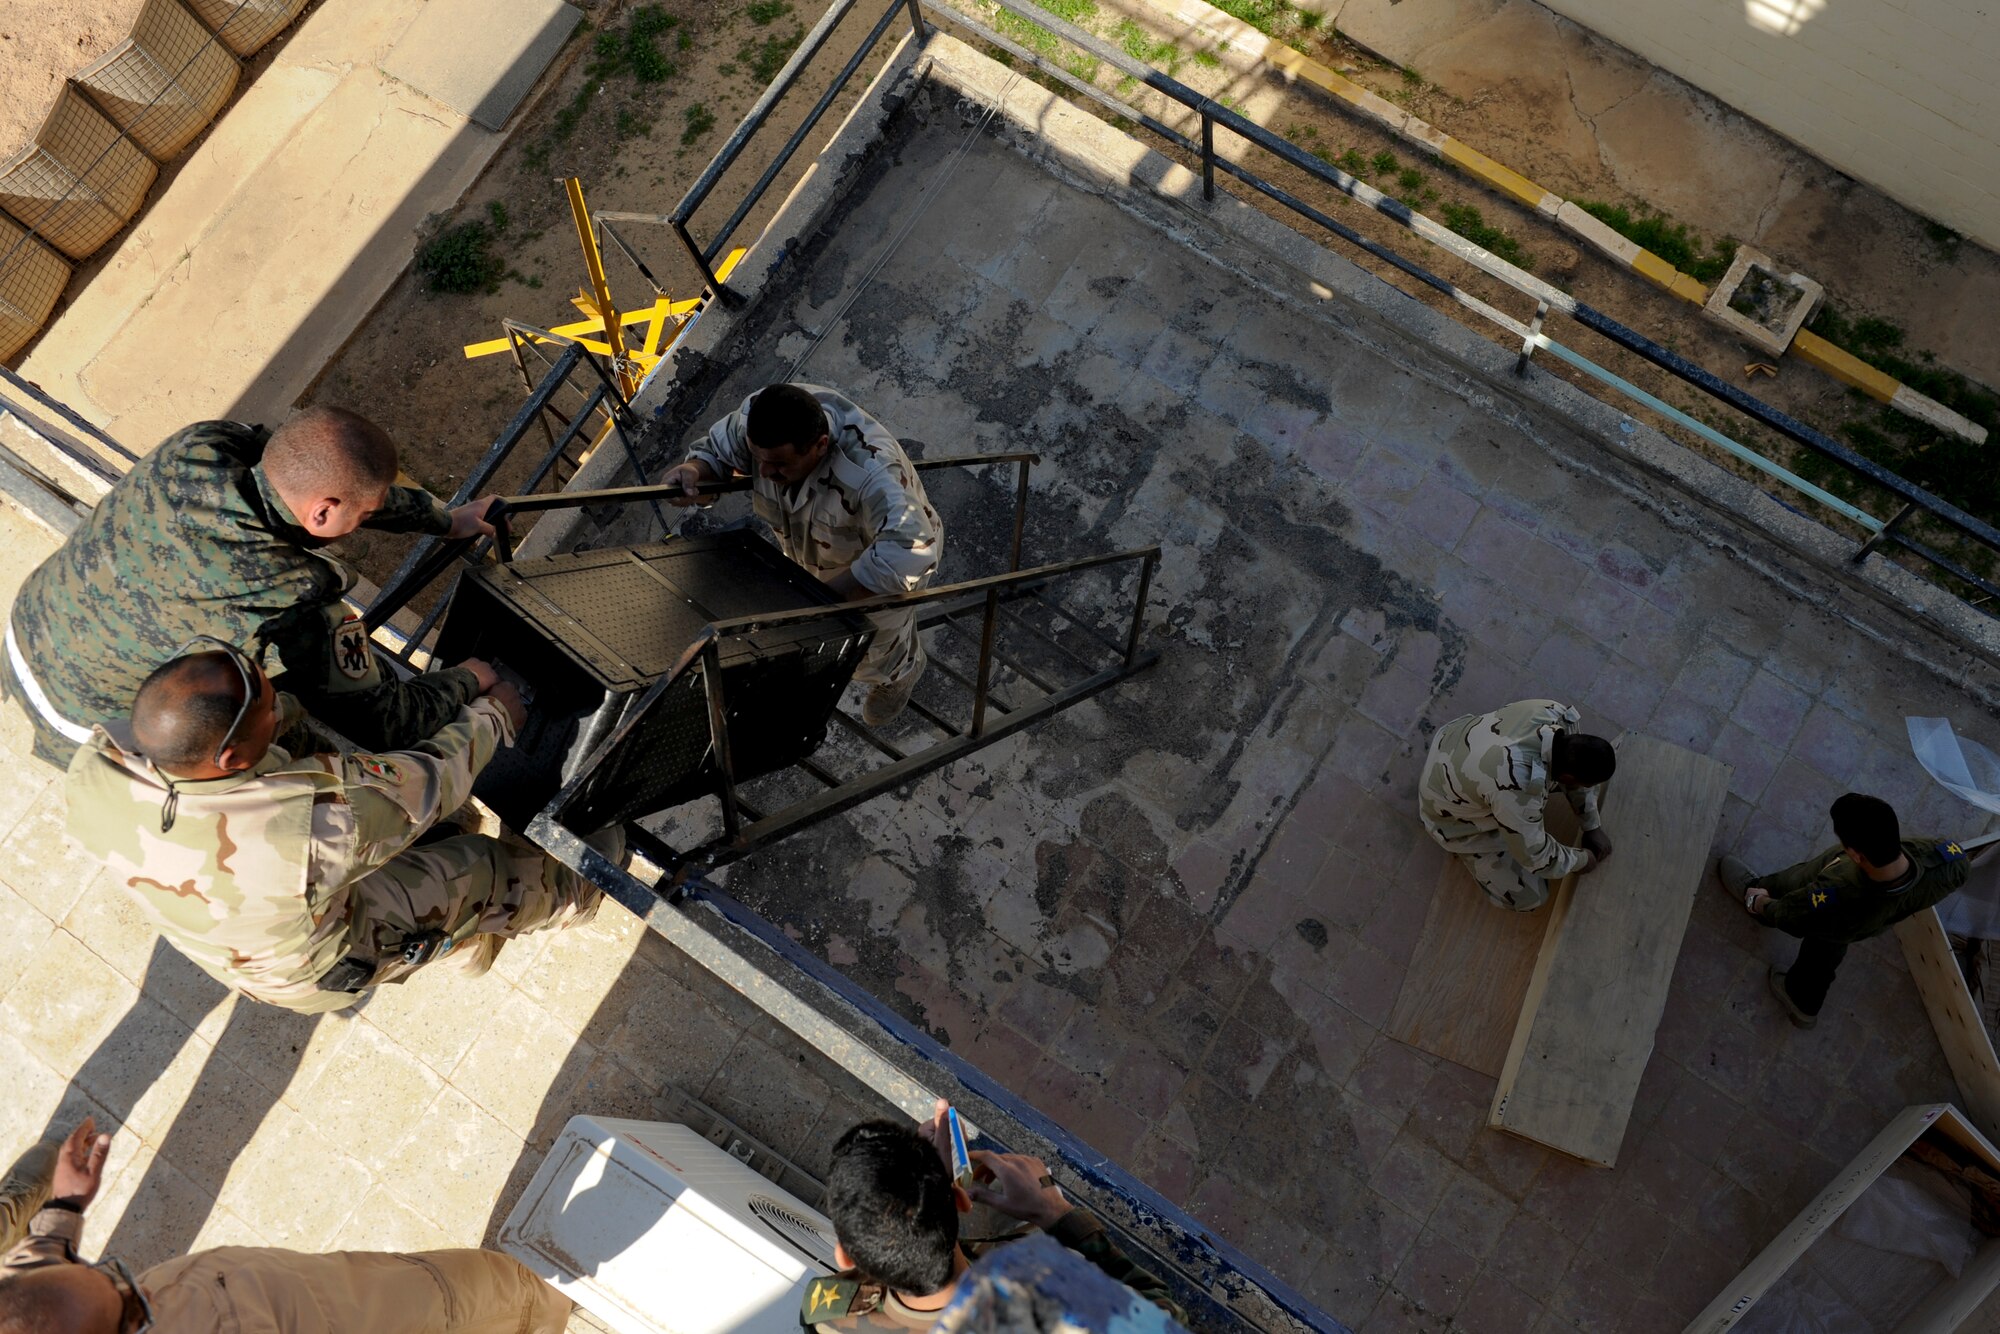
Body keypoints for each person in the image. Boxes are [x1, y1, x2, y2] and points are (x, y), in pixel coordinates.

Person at [63, 641, 601, 1013]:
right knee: (475, 865)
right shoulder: (303, 825)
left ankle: (451, 928)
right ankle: (570, 894)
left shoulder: (97, 763)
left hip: (243, 919)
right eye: (270, 712)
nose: (282, 711)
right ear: (228, 758)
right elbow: (432, 783)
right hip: (321, 961)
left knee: (389, 849)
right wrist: (494, 713)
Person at [3, 407, 501, 764]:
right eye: (364, 514)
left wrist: (442, 520)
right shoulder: (292, 596)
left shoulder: (204, 443)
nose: (367, 519)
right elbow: (386, 720)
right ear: (323, 511)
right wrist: (468, 678)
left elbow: (323, 478)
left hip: (26, 627)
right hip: (87, 723)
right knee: (294, 750)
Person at [0, 1117, 570, 1334]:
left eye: (114, 1276)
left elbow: (31, 1291)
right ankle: (549, 1307)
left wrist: (62, 1216)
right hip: (342, 1318)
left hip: (299, 1286)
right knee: (466, 1298)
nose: (138, 1288)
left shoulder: (24, 1306)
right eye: (131, 1310)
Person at [665, 383, 943, 727]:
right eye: (758, 459)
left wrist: (827, 602)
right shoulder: (761, 415)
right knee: (826, 633)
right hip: (813, 551)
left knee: (874, 644)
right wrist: (695, 470)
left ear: (820, 446)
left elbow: (913, 548)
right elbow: (719, 452)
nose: (763, 473)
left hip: (884, 560)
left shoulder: (871, 472)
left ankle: (901, 673)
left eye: (778, 464)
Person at [800, 1101, 1183, 1331]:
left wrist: (928, 1194)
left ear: (845, 1257)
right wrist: (1056, 1214)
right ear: (963, 1201)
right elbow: (1165, 1315)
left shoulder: (829, 1316)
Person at [1720, 793, 1971, 1029]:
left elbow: (1791, 915)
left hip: (1845, 917)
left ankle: (1755, 891)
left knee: (1815, 934)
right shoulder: (1948, 861)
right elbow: (1960, 868)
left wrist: (1761, 903)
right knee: (1824, 955)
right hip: (1873, 920)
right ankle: (1802, 1005)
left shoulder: (1838, 890)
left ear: (1855, 854)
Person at [1417, 699, 1617, 910]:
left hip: (1452, 739)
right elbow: (1537, 857)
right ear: (1566, 778)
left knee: (1528, 801)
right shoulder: (1516, 787)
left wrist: (1592, 825)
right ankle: (1470, 851)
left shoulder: (1557, 714)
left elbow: (1574, 771)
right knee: (1529, 897)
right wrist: (1583, 860)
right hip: (1445, 812)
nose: (1587, 787)